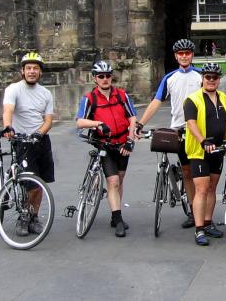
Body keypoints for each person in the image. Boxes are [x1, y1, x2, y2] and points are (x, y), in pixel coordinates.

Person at [136, 38, 202, 228]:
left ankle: (202, 212)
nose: (184, 56)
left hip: (199, 131)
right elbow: (156, 101)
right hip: (179, 130)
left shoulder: (201, 76)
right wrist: (140, 123)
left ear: (192, 55)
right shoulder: (170, 78)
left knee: (201, 175)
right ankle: (192, 210)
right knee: (188, 173)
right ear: (175, 56)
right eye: (180, 54)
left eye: (187, 53)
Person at [76, 61, 138, 237]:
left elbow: (132, 118)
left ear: (112, 77)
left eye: (108, 76)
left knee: (120, 179)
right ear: (95, 78)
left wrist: (130, 139)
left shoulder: (121, 95)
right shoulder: (90, 99)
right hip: (105, 145)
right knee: (113, 181)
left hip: (123, 143)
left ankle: (114, 213)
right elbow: (80, 122)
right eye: (101, 76)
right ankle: (118, 219)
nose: (105, 79)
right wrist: (98, 123)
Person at [2, 52, 55, 237]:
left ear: (40, 72)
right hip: (22, 141)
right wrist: (8, 127)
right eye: (29, 68)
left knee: (40, 183)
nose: (32, 71)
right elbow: (8, 110)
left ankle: (34, 217)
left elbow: (48, 120)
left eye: (35, 68)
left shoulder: (46, 93)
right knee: (31, 185)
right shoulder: (13, 89)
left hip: (40, 140)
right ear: (23, 71)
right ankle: (23, 217)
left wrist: (39, 134)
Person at [184, 62, 226, 246]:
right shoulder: (192, 99)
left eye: (215, 77)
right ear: (202, 79)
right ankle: (199, 230)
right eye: (208, 77)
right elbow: (191, 123)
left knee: (212, 188)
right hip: (199, 151)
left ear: (219, 80)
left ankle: (207, 221)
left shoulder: (224, 98)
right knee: (202, 189)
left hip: (218, 150)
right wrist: (203, 141)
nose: (211, 80)